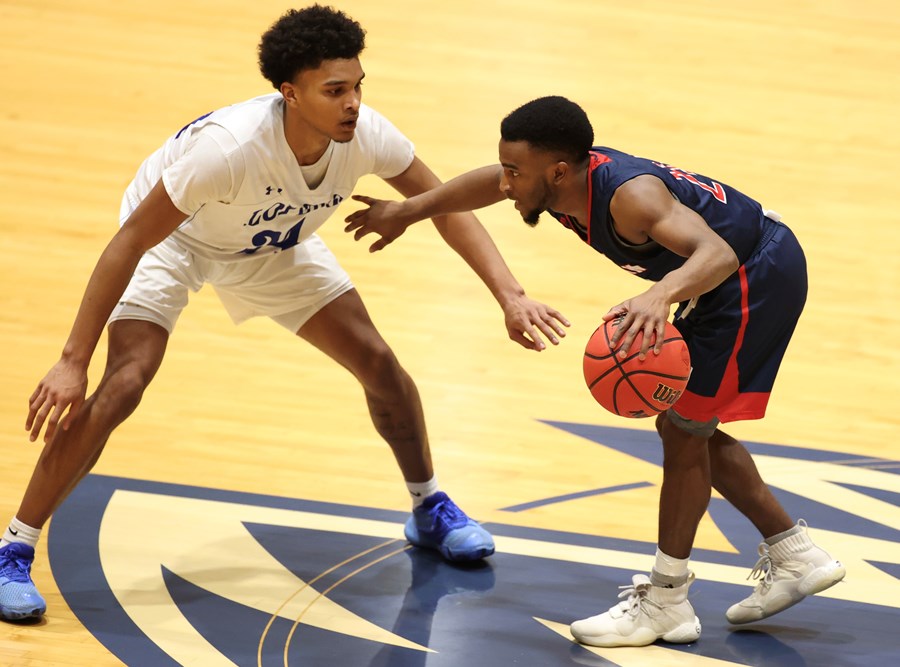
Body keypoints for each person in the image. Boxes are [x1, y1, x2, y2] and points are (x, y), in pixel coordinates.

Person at [0, 8, 571, 622]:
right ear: (289, 94)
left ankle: (428, 507)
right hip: (175, 240)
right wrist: (70, 359)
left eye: (357, 86)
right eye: (335, 92)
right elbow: (130, 243)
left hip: (272, 243)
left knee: (379, 363)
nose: (353, 103)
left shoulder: (369, 134)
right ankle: (15, 546)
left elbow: (447, 208)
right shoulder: (226, 151)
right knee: (125, 384)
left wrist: (509, 293)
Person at [343, 95, 846, 647]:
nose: (507, 183)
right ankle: (794, 553)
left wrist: (659, 295)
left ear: (557, 171)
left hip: (750, 274)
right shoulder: (557, 181)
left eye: (517, 172)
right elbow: (486, 182)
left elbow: (716, 252)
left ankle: (667, 602)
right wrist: (407, 211)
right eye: (507, 167)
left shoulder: (630, 199)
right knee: (685, 426)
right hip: (726, 280)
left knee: (683, 431)